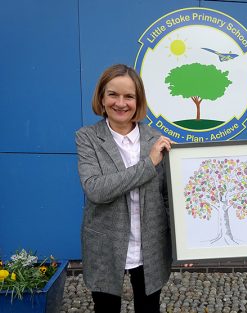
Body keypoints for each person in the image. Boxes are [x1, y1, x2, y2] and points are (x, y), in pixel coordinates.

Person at [76, 64, 173, 313]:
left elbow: (167, 198)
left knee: (149, 307)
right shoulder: (87, 138)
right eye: (113, 94)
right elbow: (95, 189)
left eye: (129, 96)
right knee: (106, 308)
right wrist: (148, 164)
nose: (121, 103)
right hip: (105, 245)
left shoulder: (155, 139)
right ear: (101, 97)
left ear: (138, 100)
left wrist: (185, 243)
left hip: (150, 246)